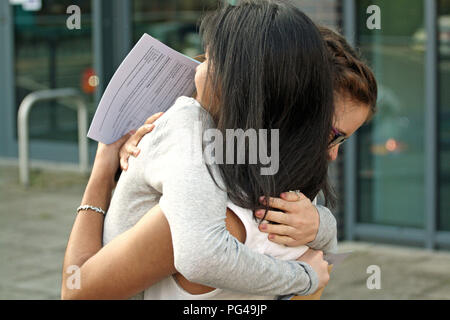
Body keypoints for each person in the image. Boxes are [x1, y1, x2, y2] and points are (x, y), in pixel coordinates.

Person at [61, 1, 376, 300]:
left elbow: (76, 291)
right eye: (332, 135)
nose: (200, 62)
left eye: (213, 56)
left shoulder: (211, 195)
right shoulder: (273, 189)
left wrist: (101, 171)